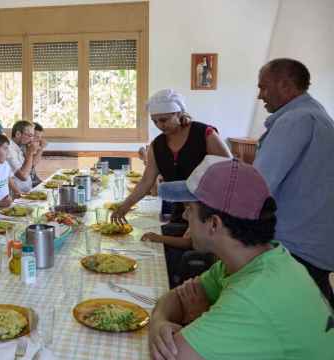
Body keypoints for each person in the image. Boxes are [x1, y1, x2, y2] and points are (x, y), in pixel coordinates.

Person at [150, 156, 334, 360]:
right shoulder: (263, 258)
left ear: (214, 224)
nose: (184, 217)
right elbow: (176, 297)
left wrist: (194, 318)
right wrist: (159, 321)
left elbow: (170, 355)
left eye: (189, 210)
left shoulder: (253, 295)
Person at [111, 89, 231, 287]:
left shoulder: (204, 134)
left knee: (180, 255)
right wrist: (124, 206)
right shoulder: (158, 145)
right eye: (155, 121)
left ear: (179, 113)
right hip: (182, 212)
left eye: (164, 119)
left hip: (209, 213)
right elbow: (146, 181)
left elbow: (228, 170)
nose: (160, 126)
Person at [254, 58, 334, 306]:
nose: (260, 96)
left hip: (296, 245)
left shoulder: (296, 120)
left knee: (294, 312)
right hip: (315, 241)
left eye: (264, 87)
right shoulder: (317, 115)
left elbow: (258, 186)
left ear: (286, 86)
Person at [6, 120, 39, 194]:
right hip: (16, 195)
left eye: (32, 136)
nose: (31, 139)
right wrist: (30, 153)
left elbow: (29, 167)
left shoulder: (20, 147)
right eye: (30, 135)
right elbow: (23, 176)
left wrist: (30, 152)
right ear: (18, 134)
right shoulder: (8, 148)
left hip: (26, 192)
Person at [26, 122, 48, 187]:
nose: (39, 140)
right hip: (28, 184)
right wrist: (41, 149)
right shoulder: (24, 148)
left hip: (35, 180)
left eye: (40, 137)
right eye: (37, 137)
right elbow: (32, 164)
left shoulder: (31, 147)